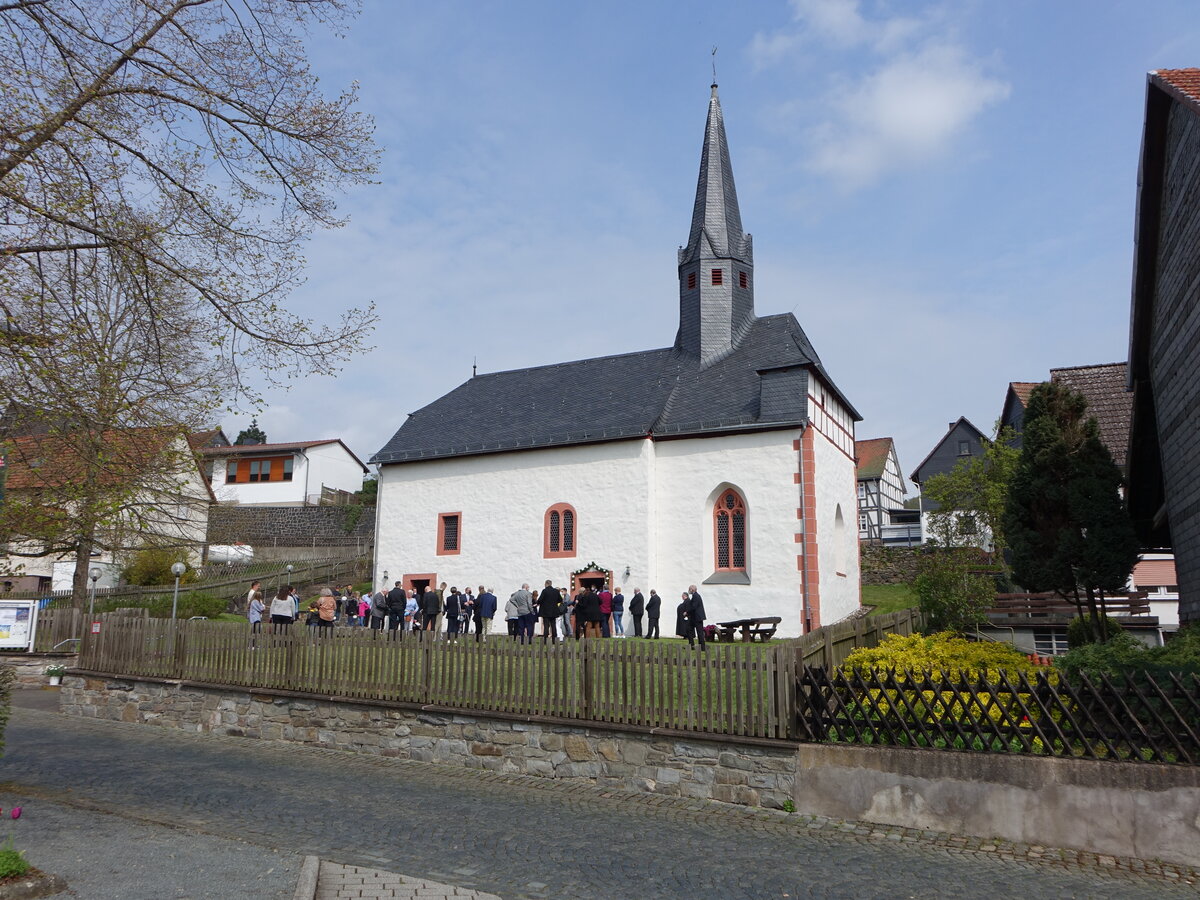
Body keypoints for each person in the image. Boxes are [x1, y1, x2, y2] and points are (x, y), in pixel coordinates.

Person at [686, 585, 707, 650]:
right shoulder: (695, 596)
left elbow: (694, 607)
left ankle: (701, 647)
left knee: (699, 632)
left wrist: (687, 612)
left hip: (697, 617)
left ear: (692, 589)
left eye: (689, 589)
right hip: (695, 617)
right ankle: (692, 645)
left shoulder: (696, 596)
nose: (689, 590)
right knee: (689, 629)